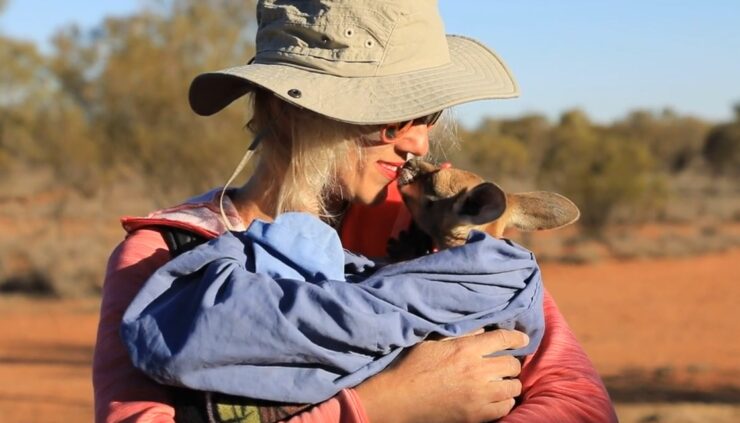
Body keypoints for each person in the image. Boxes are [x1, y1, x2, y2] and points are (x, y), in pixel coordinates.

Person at [93, 0, 618, 422]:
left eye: (427, 113)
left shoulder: (432, 225)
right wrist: (382, 407)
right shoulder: (169, 254)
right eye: (390, 117)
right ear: (289, 109)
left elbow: (578, 399)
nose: (417, 142)